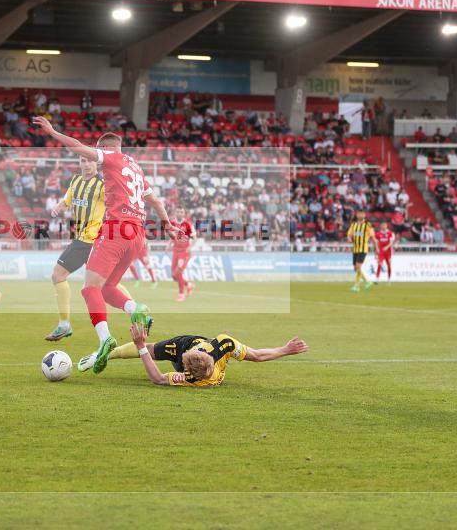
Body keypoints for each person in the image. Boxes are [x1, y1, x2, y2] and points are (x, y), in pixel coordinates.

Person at [32, 116, 180, 375]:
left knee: (90, 289)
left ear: (105, 148)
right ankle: (136, 308)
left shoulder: (110, 157)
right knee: (108, 287)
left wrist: (53, 131)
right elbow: (155, 201)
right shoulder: (136, 168)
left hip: (115, 230)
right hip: (137, 235)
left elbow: (77, 147)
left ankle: (104, 340)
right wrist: (167, 224)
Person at [45, 156, 129, 341]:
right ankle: (136, 311)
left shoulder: (101, 183)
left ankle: (64, 325)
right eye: (83, 161)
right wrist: (58, 208)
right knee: (103, 283)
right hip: (82, 239)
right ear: (80, 163)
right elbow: (67, 200)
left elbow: (116, 202)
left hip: (93, 240)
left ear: (95, 163)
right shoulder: (75, 180)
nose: (86, 164)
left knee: (63, 277)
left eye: (90, 161)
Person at [107, 321, 308, 386]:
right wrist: (285, 350)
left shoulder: (190, 377)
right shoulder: (224, 343)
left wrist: (140, 346)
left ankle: (113, 353)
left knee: (148, 350)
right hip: (189, 342)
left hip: (182, 346)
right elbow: (257, 355)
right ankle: (110, 353)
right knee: (153, 349)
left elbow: (158, 378)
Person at [347, 210, 376, 292]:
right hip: (355, 249)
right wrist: (349, 239)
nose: (360, 215)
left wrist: (376, 249)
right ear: (356, 215)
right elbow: (349, 234)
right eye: (359, 214)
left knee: (358, 267)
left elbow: (373, 237)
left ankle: (358, 286)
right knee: (356, 268)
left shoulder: (368, 225)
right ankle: (364, 283)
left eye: (362, 214)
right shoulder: (354, 224)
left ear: (364, 215)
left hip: (363, 249)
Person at [170, 206, 194, 301]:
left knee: (178, 272)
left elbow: (194, 238)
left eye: (181, 212)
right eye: (178, 211)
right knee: (174, 275)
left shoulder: (187, 224)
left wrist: (190, 247)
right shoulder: (172, 223)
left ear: (184, 214)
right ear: (176, 213)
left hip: (184, 253)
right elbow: (172, 236)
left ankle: (181, 294)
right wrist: (168, 245)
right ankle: (188, 285)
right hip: (175, 251)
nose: (179, 213)